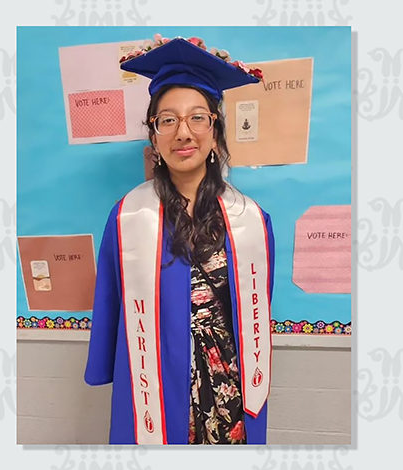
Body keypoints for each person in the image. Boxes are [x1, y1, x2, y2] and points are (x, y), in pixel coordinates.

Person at [84, 37, 275, 445]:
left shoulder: (252, 220)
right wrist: (103, 366)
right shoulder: (126, 218)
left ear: (215, 129)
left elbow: (256, 306)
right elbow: (110, 302)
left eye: (197, 118)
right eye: (167, 120)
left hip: (229, 388)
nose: (183, 132)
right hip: (152, 379)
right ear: (153, 136)